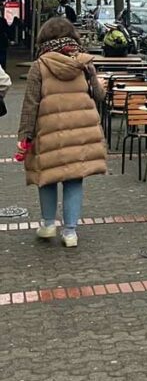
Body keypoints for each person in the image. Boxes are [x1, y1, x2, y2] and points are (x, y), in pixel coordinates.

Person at [16, 17, 107, 249]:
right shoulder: (84, 63)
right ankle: (70, 232)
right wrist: (95, 77)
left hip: (49, 132)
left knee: (47, 177)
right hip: (80, 132)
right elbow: (99, 96)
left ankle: (48, 224)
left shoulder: (40, 66)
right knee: (74, 179)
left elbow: (30, 104)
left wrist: (24, 136)